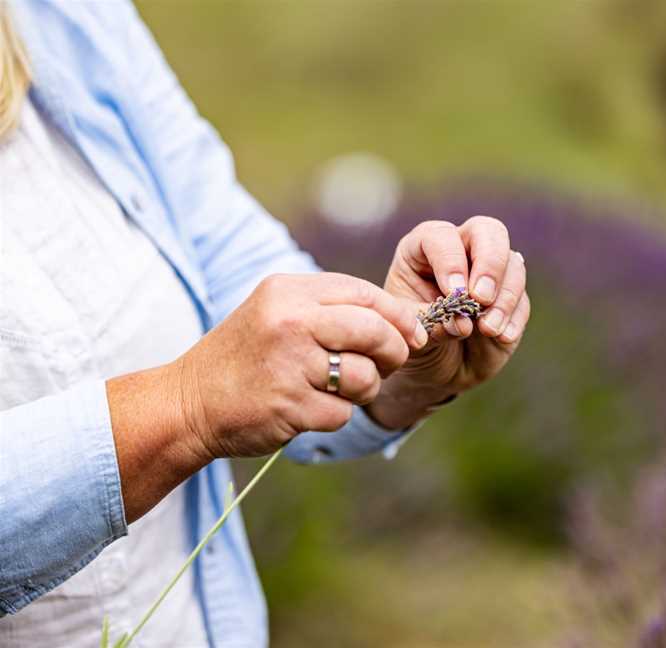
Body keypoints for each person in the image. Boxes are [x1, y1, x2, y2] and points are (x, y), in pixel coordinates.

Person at [0, 1, 530, 646]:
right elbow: (211, 385)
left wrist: (397, 364)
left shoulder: (65, 16)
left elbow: (228, 258)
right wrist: (186, 406)